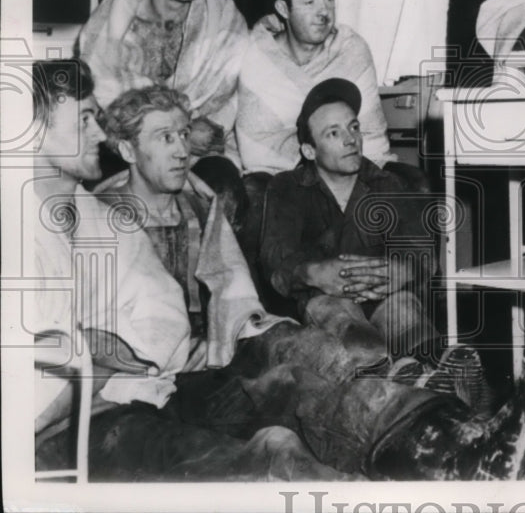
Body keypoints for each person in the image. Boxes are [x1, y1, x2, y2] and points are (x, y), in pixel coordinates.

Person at [34, 72, 525, 481]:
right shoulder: (100, 213)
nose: (181, 150)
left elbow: (229, 289)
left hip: (219, 349)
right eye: (164, 139)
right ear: (129, 150)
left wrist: (221, 335)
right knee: (285, 410)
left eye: (183, 136)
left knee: (312, 366)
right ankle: (429, 428)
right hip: (152, 381)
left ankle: (463, 437)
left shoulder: (200, 205)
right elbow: (273, 265)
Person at [30, 60, 337, 481]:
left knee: (292, 387)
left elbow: (162, 310)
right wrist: (94, 358)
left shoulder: (102, 216)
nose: (98, 134)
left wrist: (104, 352)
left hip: (155, 382)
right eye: (84, 119)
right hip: (75, 422)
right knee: (256, 460)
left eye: (183, 136)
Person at [259, 78, 440, 364]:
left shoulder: (388, 184)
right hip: (325, 303)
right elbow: (274, 260)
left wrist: (404, 270)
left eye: (353, 127)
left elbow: (422, 252)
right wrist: (312, 273)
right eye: (333, 133)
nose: (350, 139)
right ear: (309, 151)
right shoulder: (287, 188)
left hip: (387, 298)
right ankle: (381, 376)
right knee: (343, 321)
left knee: (407, 315)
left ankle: (436, 376)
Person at [78, 0, 248, 166]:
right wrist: (176, 132)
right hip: (127, 154)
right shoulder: (110, 29)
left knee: (225, 182)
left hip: (201, 154)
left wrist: (204, 131)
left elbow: (234, 97)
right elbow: (102, 102)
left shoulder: (224, 18)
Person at [236, 0, 395, 175]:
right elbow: (258, 147)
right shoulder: (257, 56)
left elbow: (372, 136)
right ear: (283, 9)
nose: (324, 12)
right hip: (277, 177)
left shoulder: (351, 51)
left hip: (347, 172)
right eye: (310, 2)